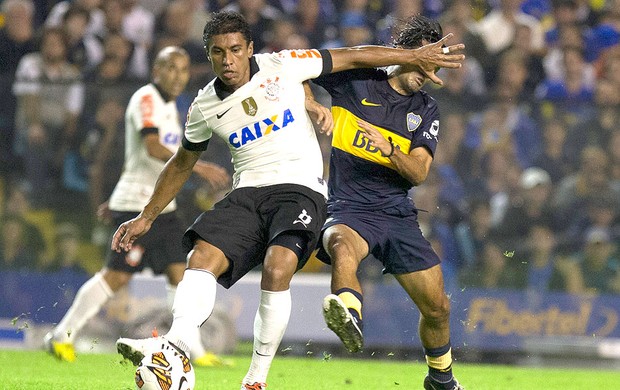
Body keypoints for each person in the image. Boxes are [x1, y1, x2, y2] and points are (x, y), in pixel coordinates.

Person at [111, 11, 464, 390]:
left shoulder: (285, 65)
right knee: (203, 257)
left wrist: (387, 128)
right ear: (209, 56)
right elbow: (181, 162)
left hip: (322, 194)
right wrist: (146, 216)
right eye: (218, 52)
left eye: (234, 50)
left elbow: (357, 60)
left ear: (249, 49)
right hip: (275, 196)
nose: (228, 60)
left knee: (285, 269)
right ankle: (174, 348)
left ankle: (257, 380)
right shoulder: (204, 105)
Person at [43, 46, 232, 367]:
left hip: (160, 207)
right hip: (137, 207)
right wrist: (197, 168)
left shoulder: (170, 106)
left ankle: (193, 349)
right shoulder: (146, 98)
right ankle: (61, 335)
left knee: (181, 275)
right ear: (156, 71)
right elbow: (151, 147)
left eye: (183, 69)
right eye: (170, 67)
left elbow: (138, 159)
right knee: (115, 277)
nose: (177, 75)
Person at [311, 15, 464, 390]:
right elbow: (299, 66)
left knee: (438, 308)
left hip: (397, 214)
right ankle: (348, 312)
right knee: (343, 246)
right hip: (349, 207)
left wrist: (390, 150)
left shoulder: (425, 110)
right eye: (428, 61)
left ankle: (440, 379)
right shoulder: (355, 81)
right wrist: (312, 105)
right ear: (410, 52)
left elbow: (419, 172)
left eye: (436, 66)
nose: (429, 73)